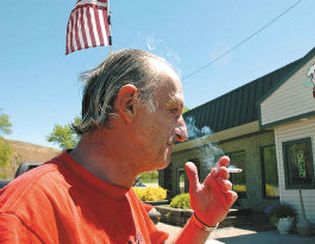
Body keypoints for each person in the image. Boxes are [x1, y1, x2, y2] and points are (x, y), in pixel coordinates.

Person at [0, 49, 238, 243]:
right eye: (173, 110)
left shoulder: (124, 196)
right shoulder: (25, 216)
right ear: (128, 105)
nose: (182, 133)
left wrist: (202, 221)